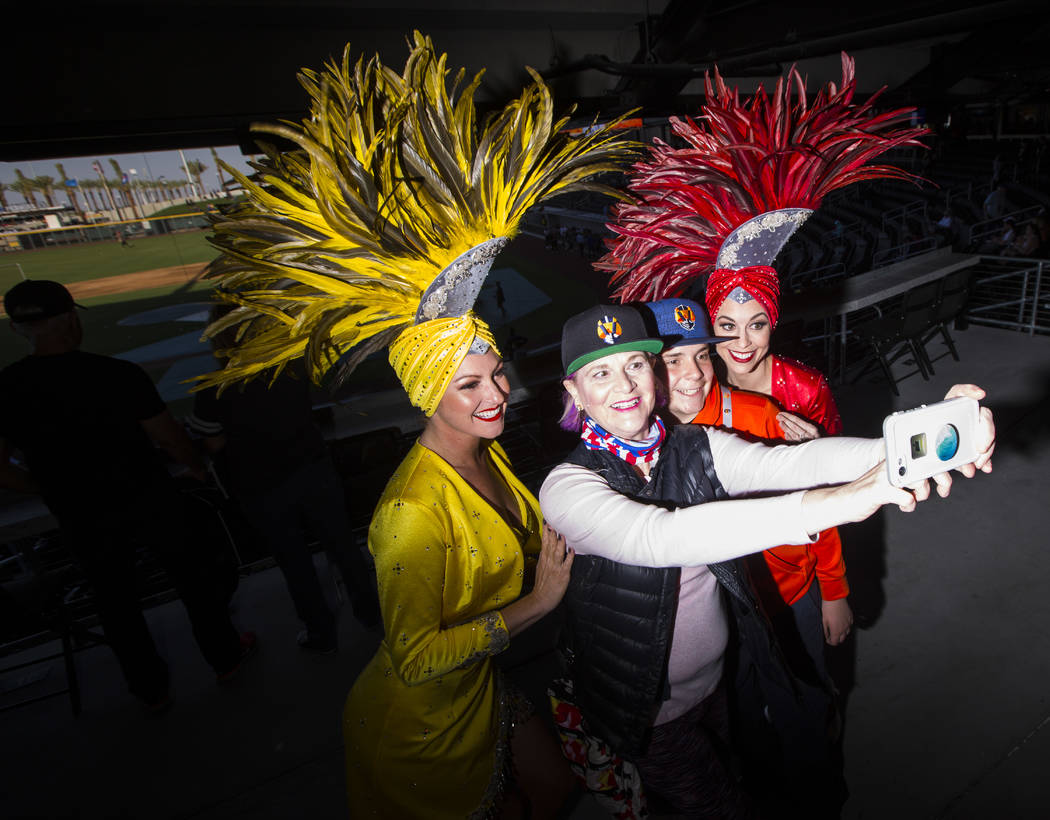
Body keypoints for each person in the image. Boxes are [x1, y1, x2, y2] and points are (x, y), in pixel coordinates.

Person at [192, 33, 636, 818]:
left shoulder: (483, 454)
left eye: (496, 372)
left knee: (556, 788)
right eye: (468, 384)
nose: (497, 393)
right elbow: (418, 656)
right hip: (424, 727)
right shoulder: (406, 515)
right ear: (429, 394)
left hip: (485, 687)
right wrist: (538, 603)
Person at [541, 303, 995, 820]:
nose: (625, 384)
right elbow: (668, 536)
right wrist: (849, 500)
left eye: (636, 365)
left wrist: (918, 443)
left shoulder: (692, 444)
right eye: (601, 372)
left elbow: (792, 461)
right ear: (574, 392)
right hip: (650, 712)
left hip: (716, 685)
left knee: (745, 773)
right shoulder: (566, 488)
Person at [0, 279, 253, 713]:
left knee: (114, 602)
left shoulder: (7, 387)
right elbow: (170, 437)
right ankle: (225, 657)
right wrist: (193, 464)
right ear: (67, 318)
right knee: (193, 580)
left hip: (79, 511)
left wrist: (46, 486)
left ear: (20, 328)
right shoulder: (116, 375)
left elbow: (2, 467)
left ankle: (151, 689)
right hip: (146, 496)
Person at [643, 297, 852, 812]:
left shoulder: (760, 415)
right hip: (716, 618)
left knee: (800, 702)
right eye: (673, 360)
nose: (692, 375)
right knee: (738, 713)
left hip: (788, 593)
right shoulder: (643, 438)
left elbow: (818, 502)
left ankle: (818, 798)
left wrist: (835, 592)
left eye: (701, 357)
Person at [187, 330, 380, 654]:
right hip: (313, 470)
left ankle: (320, 631)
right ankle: (371, 614)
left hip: (260, 486)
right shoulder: (290, 366)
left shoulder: (214, 387)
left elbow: (213, 441)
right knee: (343, 546)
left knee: (295, 563)